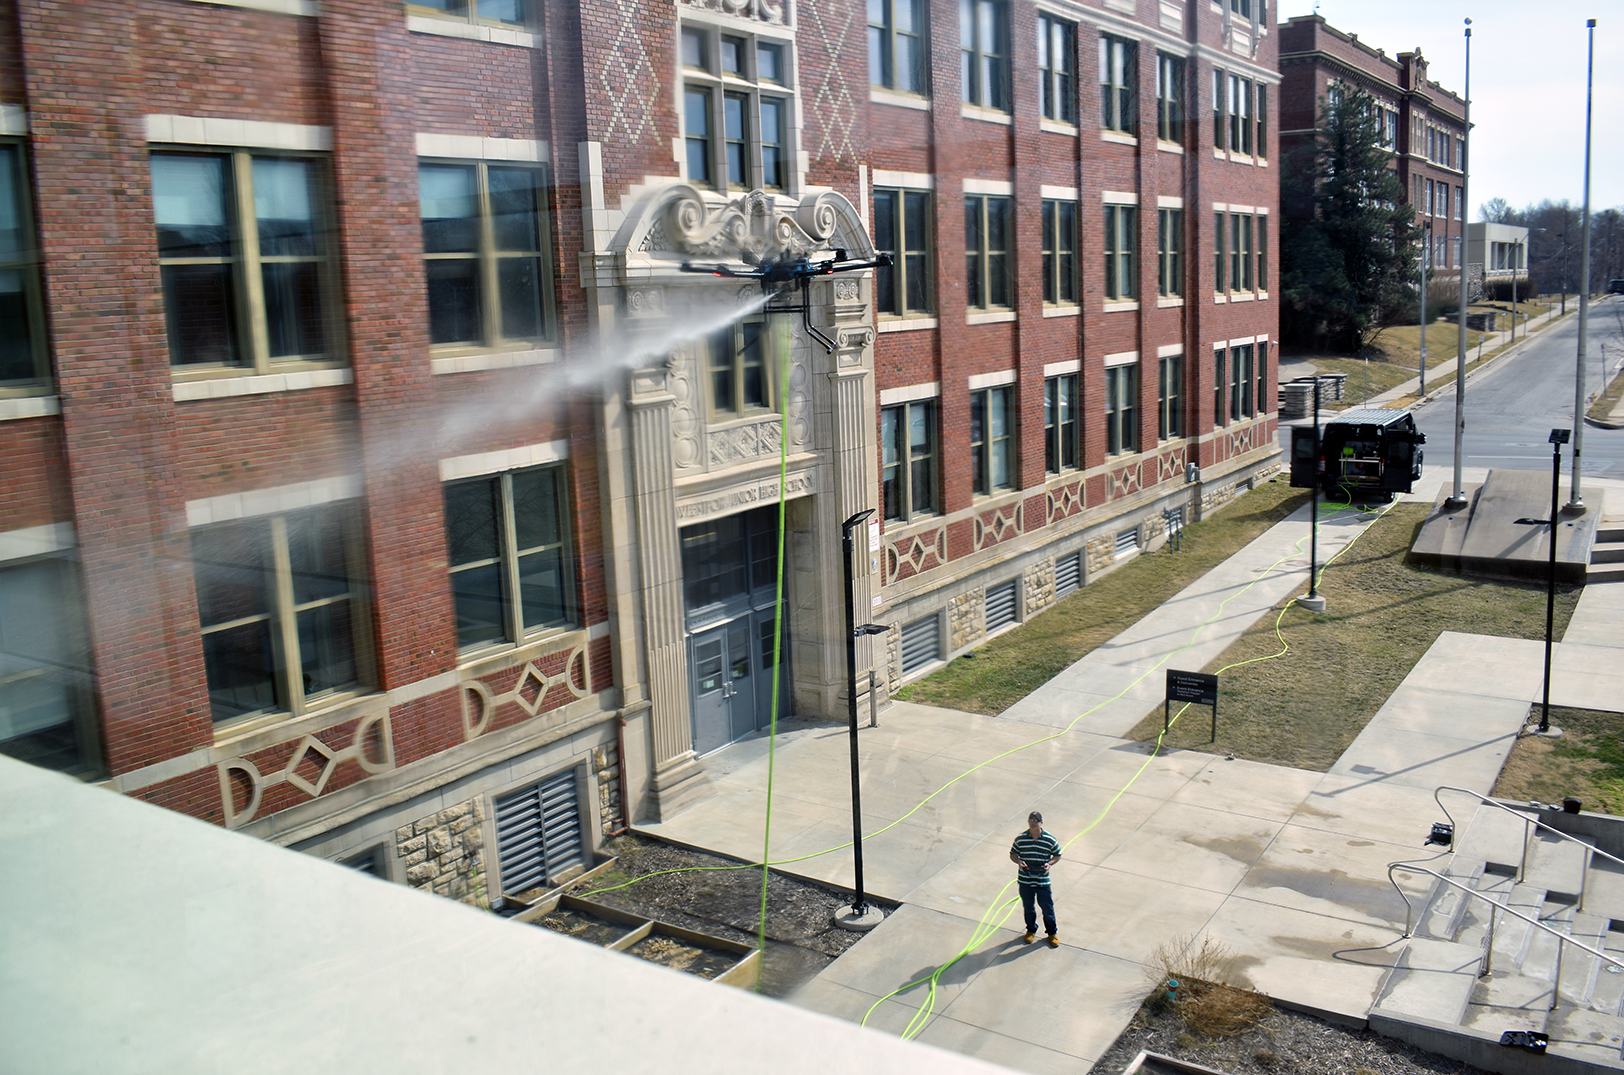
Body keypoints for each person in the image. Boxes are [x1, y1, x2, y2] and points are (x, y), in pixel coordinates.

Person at [1009, 810, 1061, 947]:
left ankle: (1052, 933)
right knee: (1028, 908)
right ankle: (1031, 930)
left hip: (1042, 881)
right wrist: (1020, 862)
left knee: (1047, 908)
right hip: (1025, 880)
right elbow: (1013, 854)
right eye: (1031, 820)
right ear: (1028, 822)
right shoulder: (1020, 839)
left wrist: (1049, 864)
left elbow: (1057, 855)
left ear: (1041, 823)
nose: (1033, 823)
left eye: (1036, 821)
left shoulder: (1049, 839)